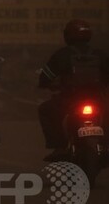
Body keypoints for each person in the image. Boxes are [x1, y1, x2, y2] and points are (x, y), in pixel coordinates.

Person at [37, 19, 109, 161]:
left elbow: (45, 78)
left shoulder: (62, 54)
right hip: (97, 98)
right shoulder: (100, 54)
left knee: (44, 109)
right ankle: (106, 144)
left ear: (67, 35)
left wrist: (46, 84)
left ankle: (58, 146)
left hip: (70, 99)